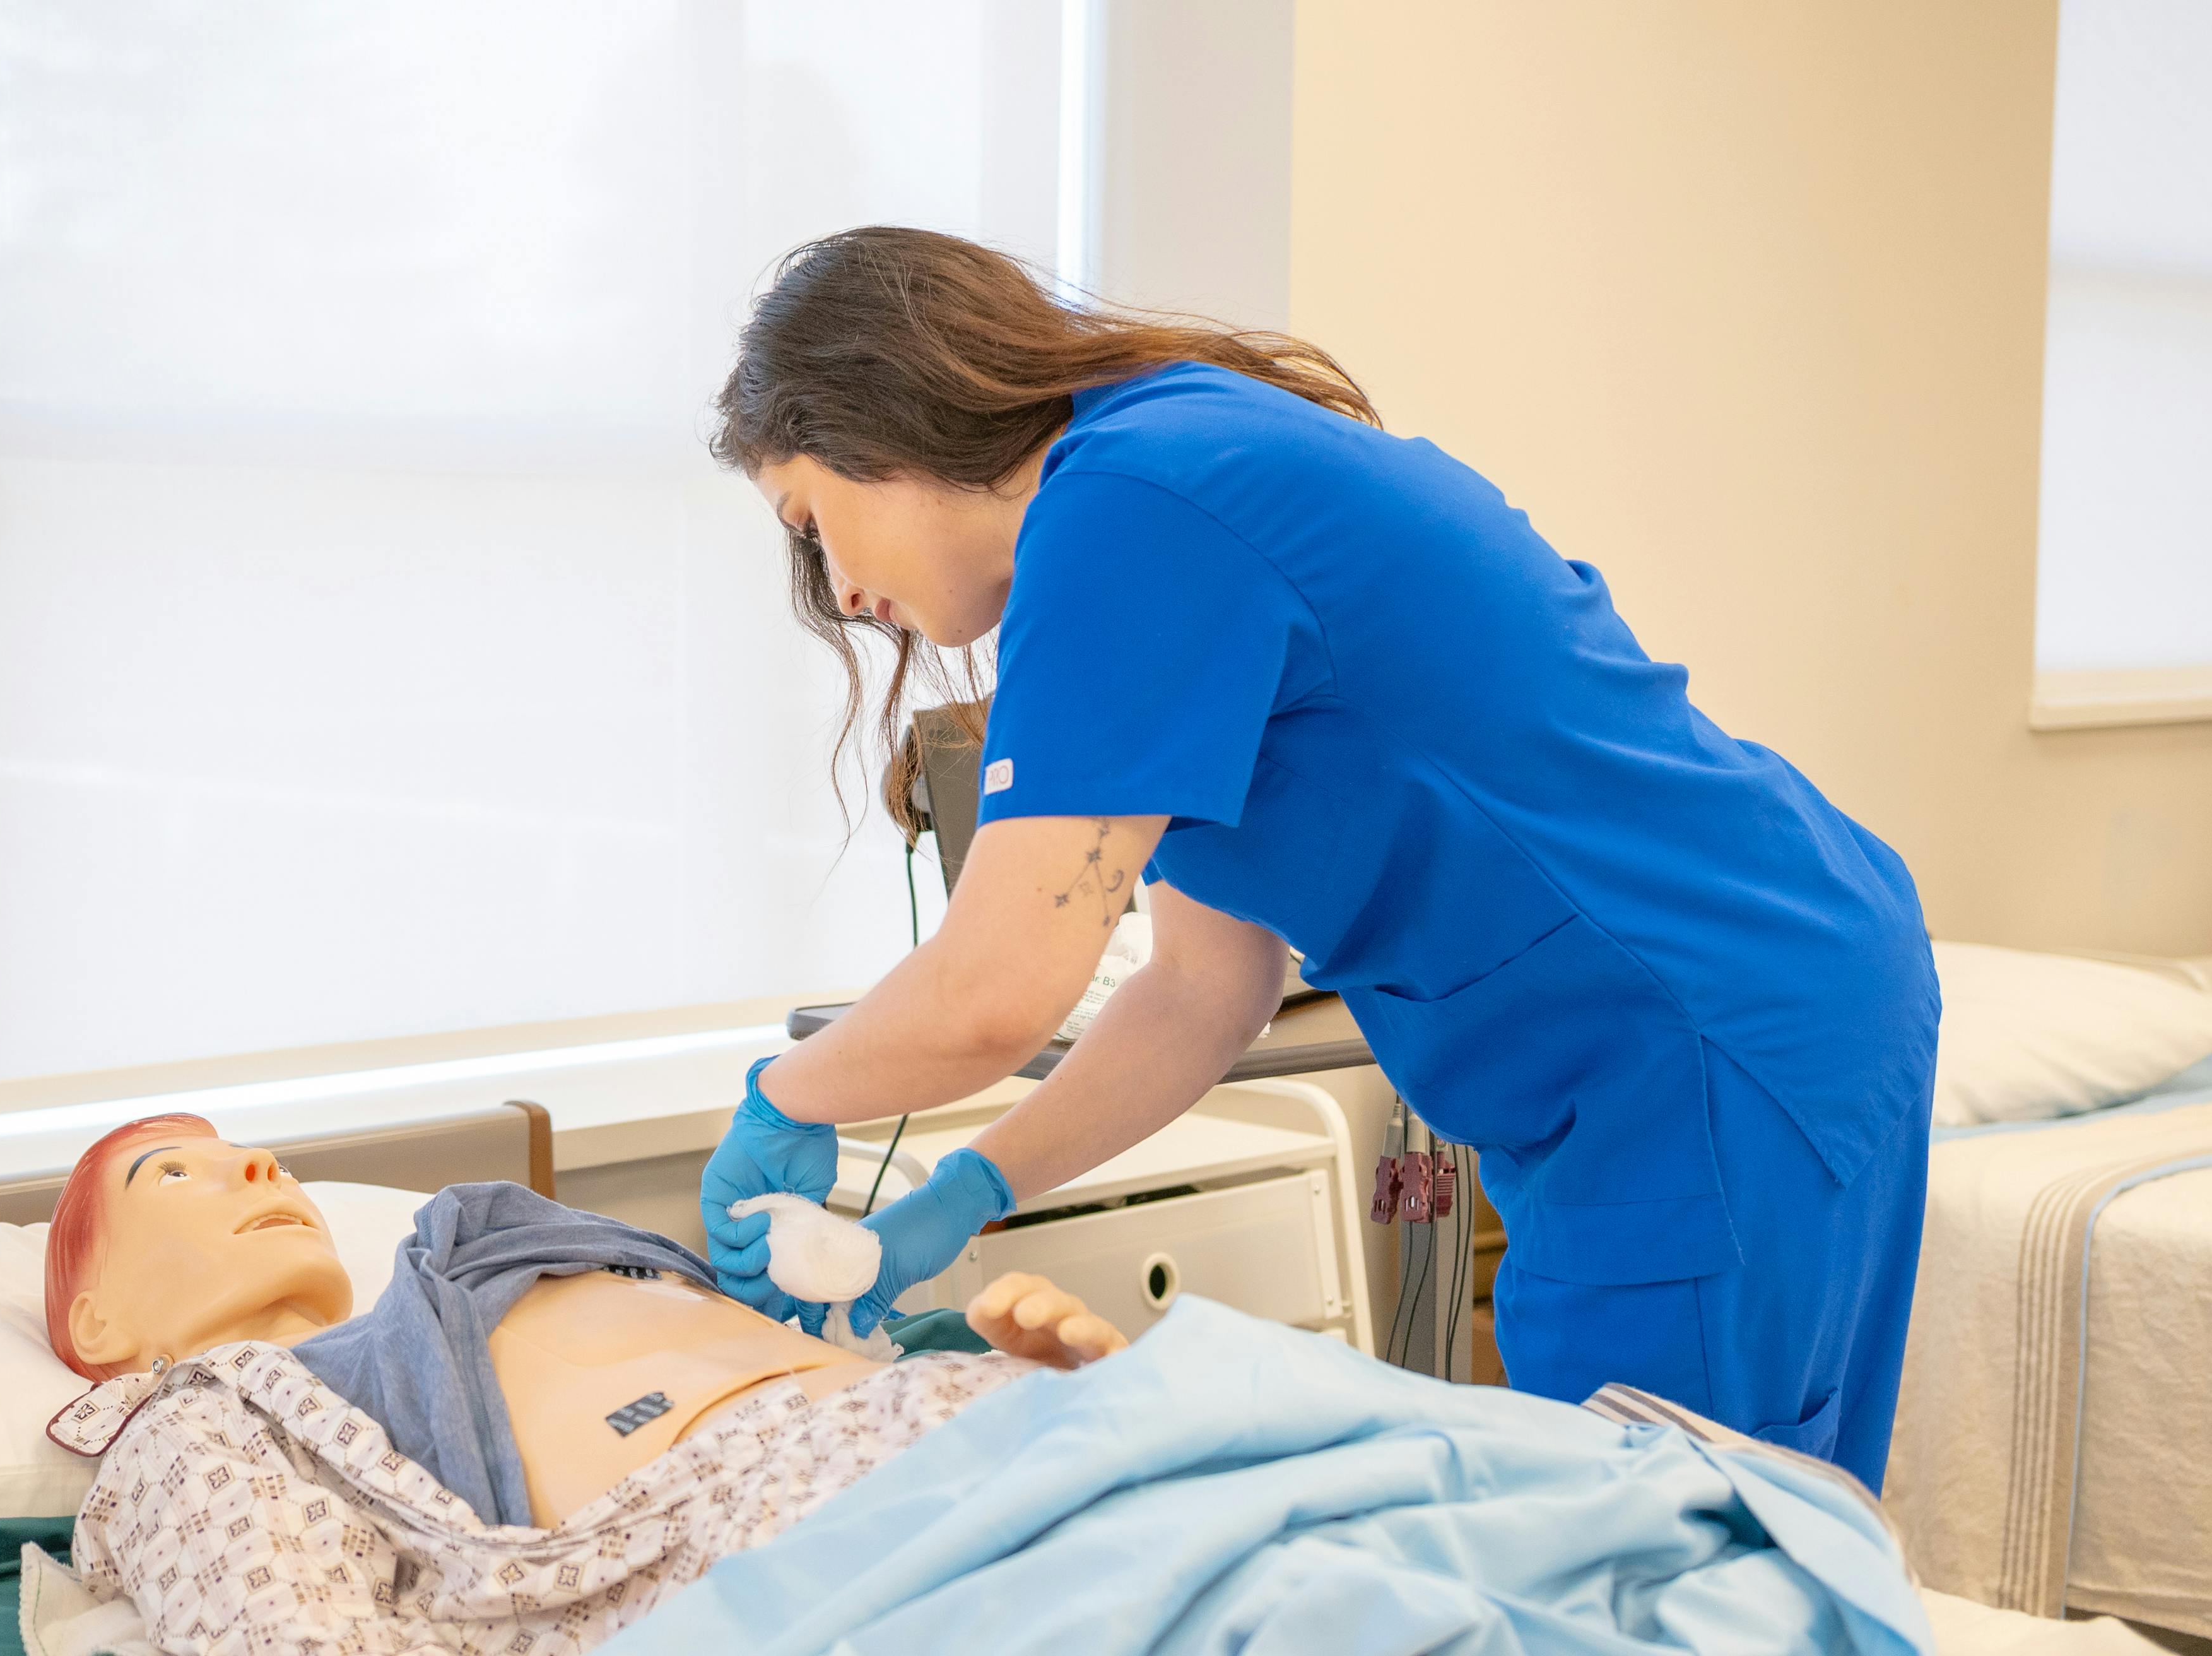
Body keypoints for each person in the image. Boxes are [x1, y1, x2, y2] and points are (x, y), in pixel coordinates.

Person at [699, 226, 1939, 1489]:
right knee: (1772, 1543)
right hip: (1773, 980)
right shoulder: (1159, 467)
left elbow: (997, 987)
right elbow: (1199, 992)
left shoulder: (1125, 510)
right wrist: (962, 1195)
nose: (839, 590)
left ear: (882, 423)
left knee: (1655, 1569)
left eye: (812, 522)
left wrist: (785, 1094)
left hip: (1696, 1045)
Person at [40, 1113, 1122, 1654]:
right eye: (174, 1174)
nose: (259, 1170)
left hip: (954, 1429)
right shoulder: (199, 1428)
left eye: (250, 1154)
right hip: (804, 1530)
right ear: (99, 1323)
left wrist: (1002, 1389)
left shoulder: (458, 1280)